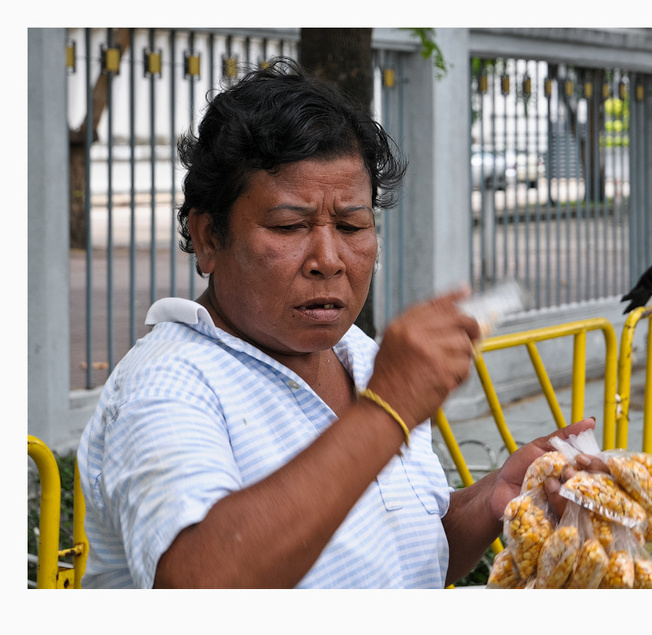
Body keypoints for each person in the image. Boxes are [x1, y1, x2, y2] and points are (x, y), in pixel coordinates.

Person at [77, 58, 601, 589]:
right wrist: (387, 409)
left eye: (352, 225)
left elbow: (404, 554)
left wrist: (497, 497)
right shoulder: (167, 386)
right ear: (210, 238)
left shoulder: (362, 355)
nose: (328, 258)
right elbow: (200, 585)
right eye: (289, 226)